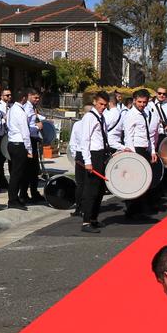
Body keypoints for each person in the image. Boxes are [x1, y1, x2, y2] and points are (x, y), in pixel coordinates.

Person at [121, 88, 160, 218]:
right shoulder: (130, 115)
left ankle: (140, 208)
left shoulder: (144, 114)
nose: (142, 104)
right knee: (135, 181)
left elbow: (148, 135)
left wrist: (152, 150)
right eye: (139, 102)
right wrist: (133, 156)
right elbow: (128, 137)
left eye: (144, 102)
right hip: (135, 150)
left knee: (144, 180)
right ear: (134, 101)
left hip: (144, 149)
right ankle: (132, 210)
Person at [77, 91, 110, 233]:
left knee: (100, 189)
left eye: (105, 105)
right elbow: (85, 140)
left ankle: (94, 218)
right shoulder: (89, 117)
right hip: (93, 155)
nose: (103, 107)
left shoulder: (101, 118)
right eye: (101, 104)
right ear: (95, 102)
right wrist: (88, 161)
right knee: (91, 189)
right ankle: (86, 222)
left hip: (101, 154)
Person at [5, 88, 32, 210]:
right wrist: (29, 149)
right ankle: (13, 199)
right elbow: (25, 132)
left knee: (16, 172)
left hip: (11, 142)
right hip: (19, 143)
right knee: (17, 173)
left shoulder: (11, 110)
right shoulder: (20, 112)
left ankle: (15, 198)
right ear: (23, 98)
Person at [21, 89, 46, 203]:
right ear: (29, 95)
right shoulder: (27, 108)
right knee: (29, 169)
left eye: (38, 98)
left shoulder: (32, 108)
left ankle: (32, 192)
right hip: (29, 141)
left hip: (33, 140)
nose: (37, 100)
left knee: (34, 169)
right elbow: (26, 127)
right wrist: (37, 127)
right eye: (35, 97)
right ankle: (25, 193)